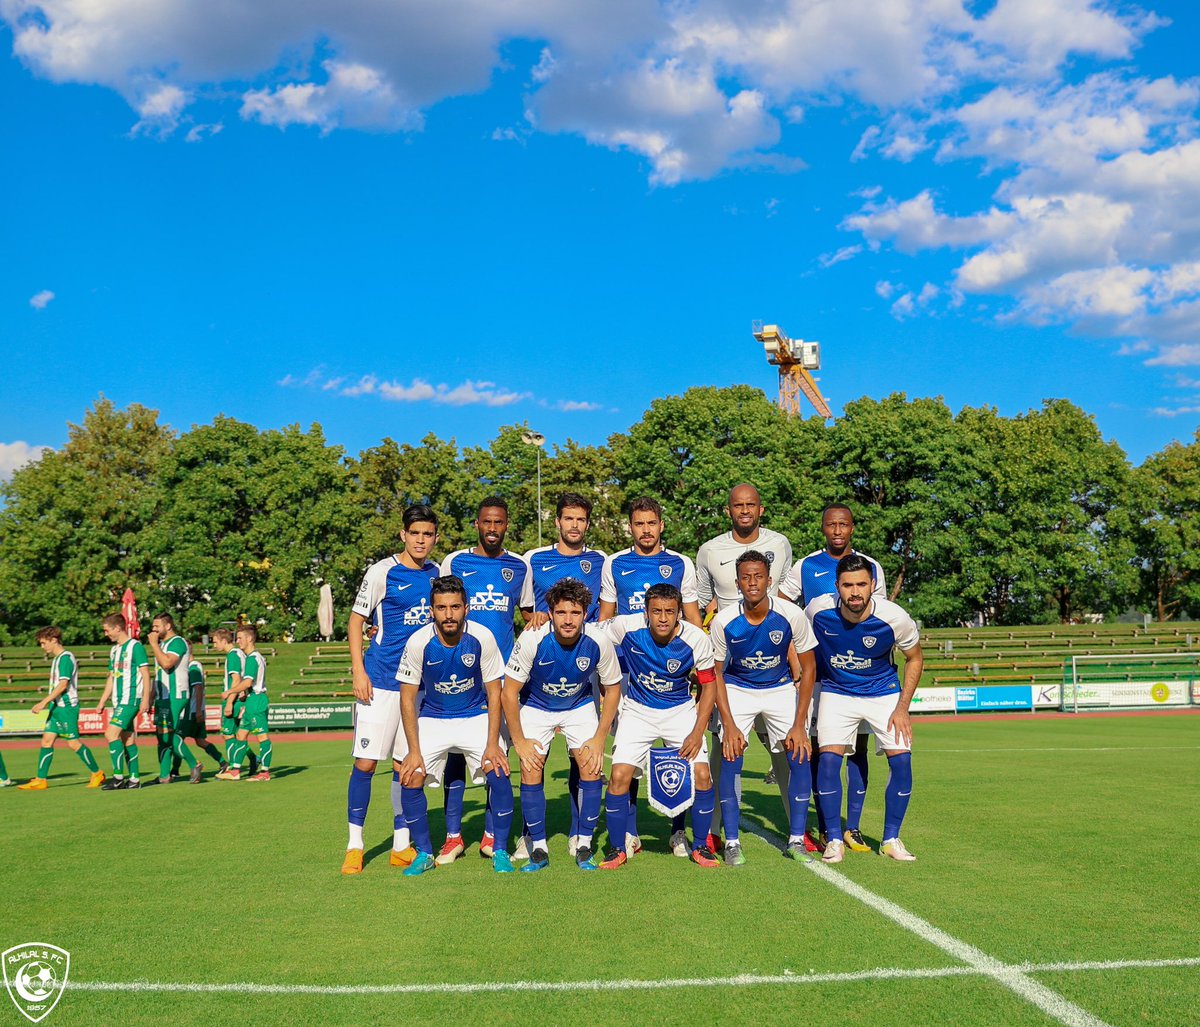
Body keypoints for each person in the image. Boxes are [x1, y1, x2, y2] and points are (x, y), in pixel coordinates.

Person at [780, 504, 887, 853]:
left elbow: (879, 619)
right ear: (823, 527)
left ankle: (852, 827)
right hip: (820, 677)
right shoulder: (806, 566)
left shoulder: (871, 567)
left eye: (843, 524)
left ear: (852, 527)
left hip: (858, 678)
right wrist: (796, 662)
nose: (837, 530)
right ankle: (828, 827)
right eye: (831, 525)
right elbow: (784, 610)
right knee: (820, 751)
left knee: (857, 752)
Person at [598, 496, 702, 856]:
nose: (646, 530)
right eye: (639, 524)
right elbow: (604, 622)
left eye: (651, 523)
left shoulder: (679, 563)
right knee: (629, 758)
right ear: (631, 526)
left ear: (661, 525)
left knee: (679, 756)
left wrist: (691, 659)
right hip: (629, 675)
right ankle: (629, 832)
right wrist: (605, 679)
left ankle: (678, 831)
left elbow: (692, 617)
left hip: (671, 669)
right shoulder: (615, 563)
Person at [341, 504, 440, 875]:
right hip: (379, 680)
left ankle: (401, 845)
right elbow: (356, 621)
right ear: (403, 535)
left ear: (434, 538)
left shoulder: (438, 573)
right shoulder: (382, 571)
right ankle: (355, 845)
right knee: (366, 763)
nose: (420, 540)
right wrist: (358, 670)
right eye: (414, 533)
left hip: (415, 687)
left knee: (406, 766)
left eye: (427, 534)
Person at [805, 554, 923, 863]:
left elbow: (915, 658)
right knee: (828, 760)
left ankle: (891, 839)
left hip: (883, 692)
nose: (854, 592)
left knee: (902, 761)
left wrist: (902, 708)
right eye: (847, 585)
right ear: (837, 586)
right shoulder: (817, 609)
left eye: (861, 584)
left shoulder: (894, 617)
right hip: (837, 691)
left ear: (873, 585)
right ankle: (833, 839)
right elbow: (798, 642)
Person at [694, 483, 794, 845]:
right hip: (728, 670)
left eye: (751, 504)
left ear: (761, 509)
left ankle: (797, 827)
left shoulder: (780, 544)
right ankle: (717, 829)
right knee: (725, 748)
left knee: (785, 750)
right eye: (738, 505)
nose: (745, 510)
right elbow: (702, 606)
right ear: (728, 511)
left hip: (772, 667)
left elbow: (784, 600)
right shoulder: (709, 551)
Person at [501, 579, 622, 871]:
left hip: (578, 706)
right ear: (551, 613)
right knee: (530, 767)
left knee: (591, 765)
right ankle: (538, 847)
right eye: (562, 613)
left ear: (585, 614)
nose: (568, 620)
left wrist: (599, 738)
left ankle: (583, 843)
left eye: (576, 613)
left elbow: (613, 688)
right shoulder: (532, 639)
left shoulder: (598, 642)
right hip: (537, 707)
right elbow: (508, 692)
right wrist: (519, 741)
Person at [598, 583, 718, 870]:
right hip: (638, 711)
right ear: (645, 612)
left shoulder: (696, 638)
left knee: (702, 775)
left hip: (680, 711)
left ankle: (700, 845)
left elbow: (709, 687)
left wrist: (697, 731)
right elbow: (590, 630)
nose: (663, 618)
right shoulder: (626, 626)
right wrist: (543, 620)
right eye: (656, 612)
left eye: (669, 612)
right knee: (619, 776)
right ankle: (618, 848)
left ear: (679, 613)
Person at [396, 576, 510, 876]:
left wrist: (491, 744)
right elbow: (407, 699)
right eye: (442, 607)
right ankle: (423, 852)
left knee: (499, 769)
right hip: (433, 718)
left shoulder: (482, 637)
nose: (449, 614)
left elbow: (494, 693)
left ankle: (499, 849)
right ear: (431, 610)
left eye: (455, 607)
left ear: (466, 608)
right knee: (410, 776)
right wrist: (414, 751)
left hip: (475, 716)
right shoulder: (419, 641)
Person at [437, 496, 529, 865]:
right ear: (477, 524)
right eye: (487, 522)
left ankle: (492, 835)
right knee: (454, 757)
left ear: (507, 525)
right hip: (456, 674)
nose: (493, 529)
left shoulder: (519, 566)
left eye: (499, 523)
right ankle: (453, 836)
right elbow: (437, 604)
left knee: (499, 757)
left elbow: (528, 614)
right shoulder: (455, 562)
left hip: (501, 678)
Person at [710, 552, 817, 863]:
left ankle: (797, 838)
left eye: (758, 576)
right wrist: (728, 724)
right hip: (738, 687)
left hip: (780, 688)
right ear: (737, 582)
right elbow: (715, 672)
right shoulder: (724, 620)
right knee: (731, 755)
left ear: (769, 580)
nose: (752, 582)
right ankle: (731, 842)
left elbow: (808, 669)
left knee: (798, 754)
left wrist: (800, 723)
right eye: (746, 577)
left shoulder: (791, 615)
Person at [519, 492, 605, 858]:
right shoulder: (533, 559)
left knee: (583, 757)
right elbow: (525, 608)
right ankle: (530, 836)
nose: (574, 525)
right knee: (530, 760)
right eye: (568, 518)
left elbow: (607, 610)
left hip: (586, 663)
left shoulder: (602, 561)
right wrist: (535, 620)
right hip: (543, 663)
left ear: (588, 523)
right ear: (557, 521)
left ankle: (578, 832)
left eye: (581, 519)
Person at [18, 626, 104, 790]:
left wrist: (43, 702)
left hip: (67, 708)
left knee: (73, 743)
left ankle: (97, 773)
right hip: (56, 708)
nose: (42, 647)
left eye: (43, 643)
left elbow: (63, 685)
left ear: (54, 640)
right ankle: (41, 779)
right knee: (46, 741)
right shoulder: (57, 659)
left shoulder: (65, 658)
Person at [94, 613, 151, 790]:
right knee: (127, 740)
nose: (106, 634)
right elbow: (112, 676)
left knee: (110, 734)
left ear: (117, 628)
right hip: (119, 700)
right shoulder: (114, 650)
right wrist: (102, 700)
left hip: (131, 699)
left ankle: (118, 777)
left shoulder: (135, 646)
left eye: (107, 630)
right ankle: (134, 780)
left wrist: (146, 699)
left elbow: (145, 673)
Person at [147, 613, 201, 784]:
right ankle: (164, 775)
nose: (153, 630)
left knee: (169, 734)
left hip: (175, 695)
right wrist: (151, 697)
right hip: (163, 696)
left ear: (168, 626)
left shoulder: (177, 642)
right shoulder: (163, 644)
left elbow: (167, 663)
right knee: (161, 735)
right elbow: (159, 674)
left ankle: (194, 763)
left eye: (157, 626)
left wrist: (154, 645)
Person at [216, 625, 273, 781]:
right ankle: (235, 770)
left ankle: (264, 772)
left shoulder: (253, 658)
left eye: (240, 638)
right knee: (241, 735)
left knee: (262, 736)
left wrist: (230, 692)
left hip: (257, 700)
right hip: (250, 700)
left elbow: (247, 682)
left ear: (249, 639)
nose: (237, 641)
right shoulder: (251, 657)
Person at [212, 629, 257, 776]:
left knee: (228, 734)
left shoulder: (232, 656)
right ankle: (253, 758)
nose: (214, 645)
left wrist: (230, 701)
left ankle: (232, 768)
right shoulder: (239, 654)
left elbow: (236, 679)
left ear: (224, 641)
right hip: (241, 698)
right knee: (239, 736)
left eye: (215, 642)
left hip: (234, 699)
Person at [173, 656, 225, 775]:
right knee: (200, 741)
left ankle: (174, 770)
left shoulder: (193, 666)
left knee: (177, 739)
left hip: (190, 712)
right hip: (195, 710)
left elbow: (198, 687)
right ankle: (222, 762)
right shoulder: (190, 666)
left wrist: (197, 710)